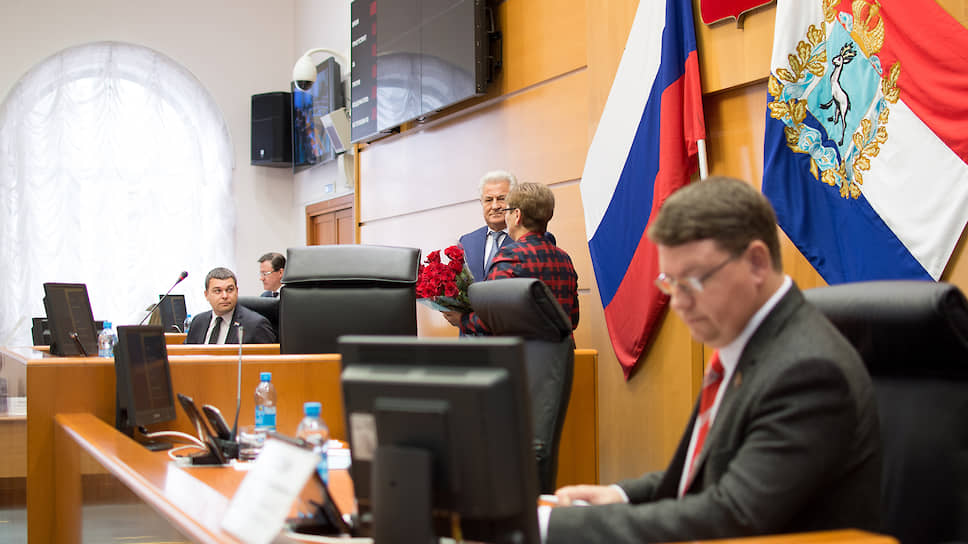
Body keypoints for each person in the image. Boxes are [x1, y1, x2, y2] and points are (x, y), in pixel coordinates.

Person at [544, 177, 880, 543]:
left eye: (692, 281)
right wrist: (621, 495)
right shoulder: (745, 346)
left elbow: (733, 515)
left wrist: (550, 527)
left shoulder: (807, 372)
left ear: (756, 263)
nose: (678, 302)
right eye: (670, 282)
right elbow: (705, 476)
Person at [444, 182, 578, 335]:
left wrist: (461, 320)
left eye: (507, 211)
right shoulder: (564, 259)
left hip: (521, 349)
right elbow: (573, 319)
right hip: (560, 349)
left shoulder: (509, 257)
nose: (505, 217)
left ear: (517, 215)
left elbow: (492, 319)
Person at [185, 267, 277, 344]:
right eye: (218, 291)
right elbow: (186, 355)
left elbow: (269, 359)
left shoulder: (256, 325)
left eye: (229, 290)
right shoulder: (198, 322)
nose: (225, 296)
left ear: (237, 291)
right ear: (206, 295)